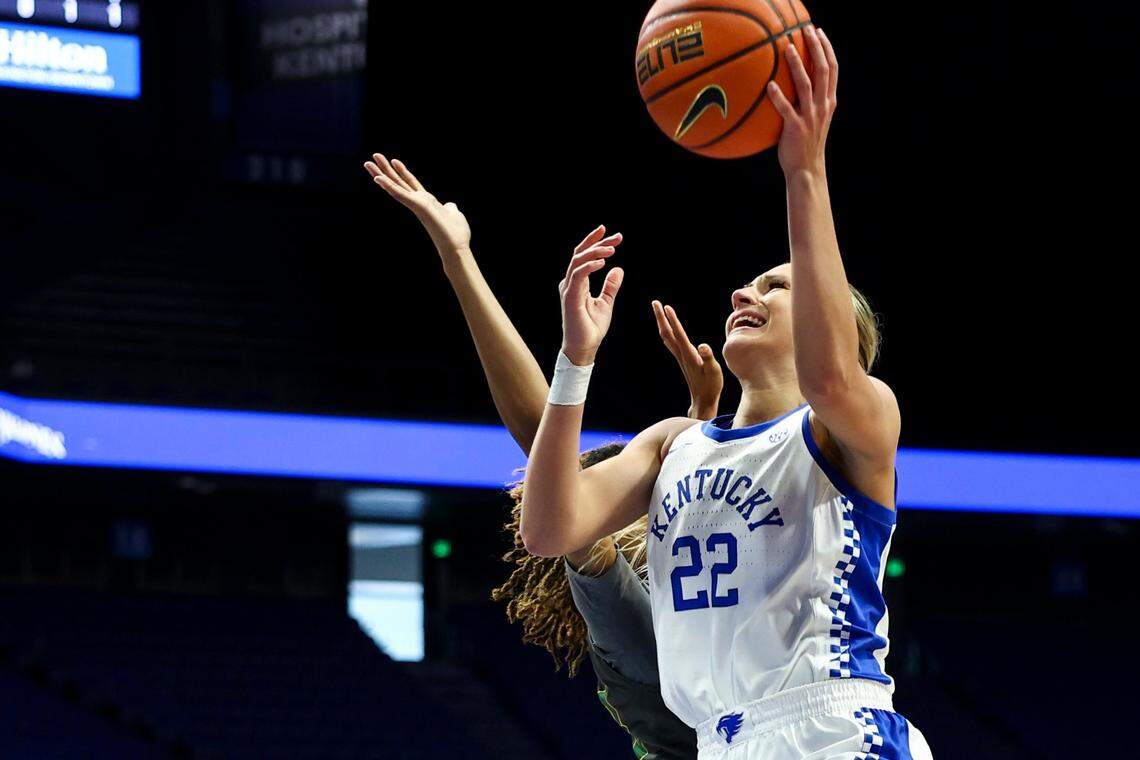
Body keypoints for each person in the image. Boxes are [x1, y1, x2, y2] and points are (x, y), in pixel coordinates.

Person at [520, 28, 933, 759]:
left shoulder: (851, 426)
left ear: (828, 322)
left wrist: (804, 171)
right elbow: (551, 530)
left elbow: (831, 377)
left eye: (777, 285)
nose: (745, 290)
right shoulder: (672, 442)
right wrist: (574, 362)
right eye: (750, 282)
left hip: (832, 731)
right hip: (721, 742)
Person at [363, 155, 714, 759]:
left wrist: (701, 417)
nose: (638, 491)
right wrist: (459, 261)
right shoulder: (621, 612)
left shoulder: (691, 579)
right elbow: (545, 448)